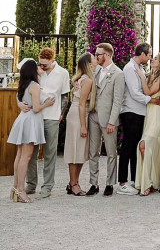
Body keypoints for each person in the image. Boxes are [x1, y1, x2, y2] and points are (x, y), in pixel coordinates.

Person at [23, 47, 70, 199]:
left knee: (50, 153)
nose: (42, 66)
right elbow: (25, 89)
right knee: (31, 152)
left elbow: (65, 96)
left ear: (52, 60)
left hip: (52, 117)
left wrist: (61, 114)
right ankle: (31, 184)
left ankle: (48, 186)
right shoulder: (36, 72)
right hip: (34, 116)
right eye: (40, 63)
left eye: (45, 64)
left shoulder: (63, 73)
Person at [8, 59, 55, 203]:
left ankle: (15, 187)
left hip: (23, 119)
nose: (40, 67)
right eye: (37, 66)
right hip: (30, 121)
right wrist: (47, 104)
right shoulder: (34, 85)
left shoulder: (24, 84)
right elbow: (36, 108)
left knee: (20, 155)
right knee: (26, 156)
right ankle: (21, 190)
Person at [118, 42, 160, 195]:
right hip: (131, 112)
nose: (150, 58)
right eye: (149, 55)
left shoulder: (140, 69)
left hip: (139, 112)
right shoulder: (130, 69)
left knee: (135, 148)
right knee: (127, 147)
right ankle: (122, 183)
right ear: (142, 54)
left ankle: (134, 180)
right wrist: (151, 100)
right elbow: (135, 93)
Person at [86, 43, 125, 196]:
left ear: (107, 55)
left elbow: (118, 101)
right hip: (93, 116)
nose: (96, 56)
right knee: (93, 152)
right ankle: (93, 183)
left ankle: (110, 183)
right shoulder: (95, 71)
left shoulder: (118, 74)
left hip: (108, 118)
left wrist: (112, 122)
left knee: (111, 152)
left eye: (98, 54)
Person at [134, 52, 160, 195]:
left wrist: (142, 77)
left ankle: (148, 183)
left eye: (155, 59)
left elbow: (148, 93)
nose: (152, 60)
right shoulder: (149, 75)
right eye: (152, 58)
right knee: (150, 149)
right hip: (147, 114)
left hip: (156, 115)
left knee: (144, 145)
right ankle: (152, 181)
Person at [63, 52, 97, 196]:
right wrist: (83, 126)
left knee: (80, 150)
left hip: (79, 113)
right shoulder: (87, 80)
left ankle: (74, 182)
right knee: (76, 149)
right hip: (78, 115)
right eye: (93, 58)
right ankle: (73, 184)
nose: (96, 59)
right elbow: (82, 104)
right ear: (88, 64)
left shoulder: (81, 79)